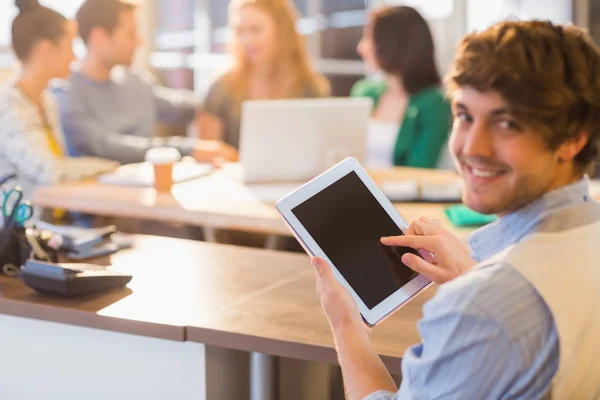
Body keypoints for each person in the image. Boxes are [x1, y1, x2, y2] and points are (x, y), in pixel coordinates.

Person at [311, 20, 600, 399]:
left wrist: (347, 326)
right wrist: (474, 276)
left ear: (573, 139)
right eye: (464, 115)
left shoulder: (483, 308)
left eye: (507, 123)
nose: (471, 146)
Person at [52, 0, 237, 165]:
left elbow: (186, 106)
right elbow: (108, 147)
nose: (139, 42)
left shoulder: (134, 81)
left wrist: (227, 85)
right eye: (130, 34)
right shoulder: (65, 92)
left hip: (146, 192)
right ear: (99, 37)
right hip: (96, 198)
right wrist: (187, 149)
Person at [0, 0, 116, 202]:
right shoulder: (7, 104)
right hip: (20, 227)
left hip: (55, 216)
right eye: (70, 45)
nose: (74, 56)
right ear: (46, 49)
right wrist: (109, 166)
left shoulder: (47, 100)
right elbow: (50, 170)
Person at [198, 0, 330, 149]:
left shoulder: (309, 86)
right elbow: (207, 152)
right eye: (240, 31)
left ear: (281, 30)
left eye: (255, 30)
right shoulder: (221, 88)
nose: (247, 40)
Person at [352, 6, 451, 169]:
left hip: (400, 194)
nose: (361, 48)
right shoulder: (364, 92)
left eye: (369, 38)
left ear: (393, 43)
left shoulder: (434, 104)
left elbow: (419, 169)